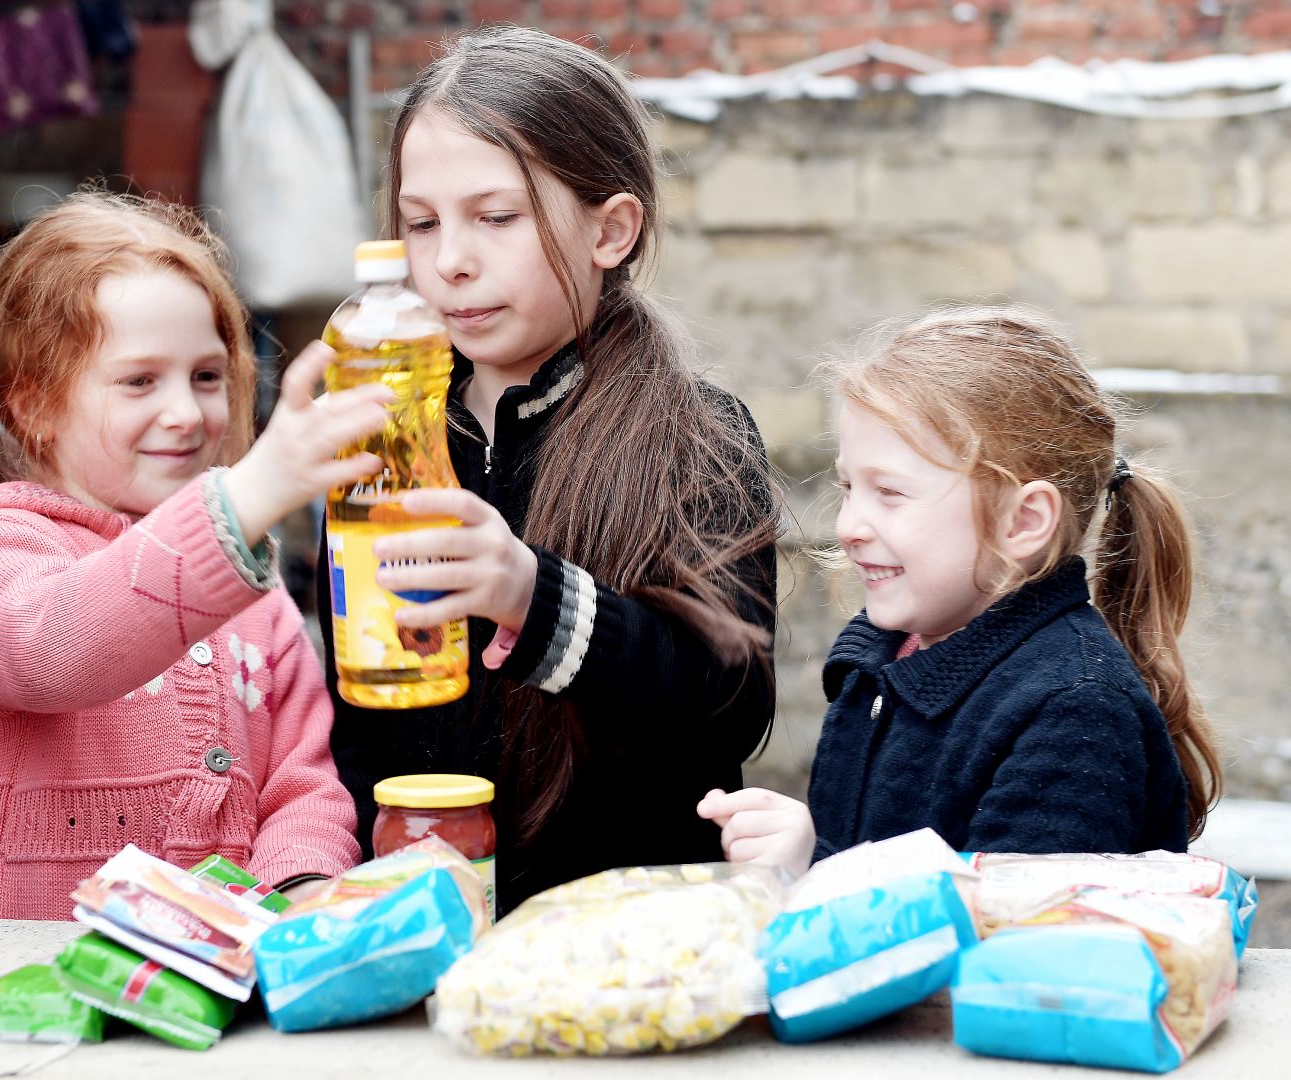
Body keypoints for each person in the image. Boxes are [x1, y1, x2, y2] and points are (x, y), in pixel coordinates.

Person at [320, 26, 784, 913]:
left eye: (496, 217)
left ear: (610, 229)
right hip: (426, 927)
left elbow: (729, 701)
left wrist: (535, 599)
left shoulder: (697, 437)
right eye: (421, 223)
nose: (450, 259)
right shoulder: (379, 443)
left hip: (632, 939)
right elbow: (358, 724)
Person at [0, 192, 394, 919]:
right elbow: (52, 648)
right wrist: (246, 498)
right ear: (34, 406)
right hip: (42, 977)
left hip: (229, 978)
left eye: (206, 376)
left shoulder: (256, 587)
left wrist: (300, 891)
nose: (185, 413)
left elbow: (302, 786)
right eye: (139, 381)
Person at [698, 306, 1219, 877]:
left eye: (890, 492)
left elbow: (1023, 921)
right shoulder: (879, 661)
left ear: (1023, 521)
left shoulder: (1073, 709)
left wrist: (811, 867)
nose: (848, 526)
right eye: (848, 487)